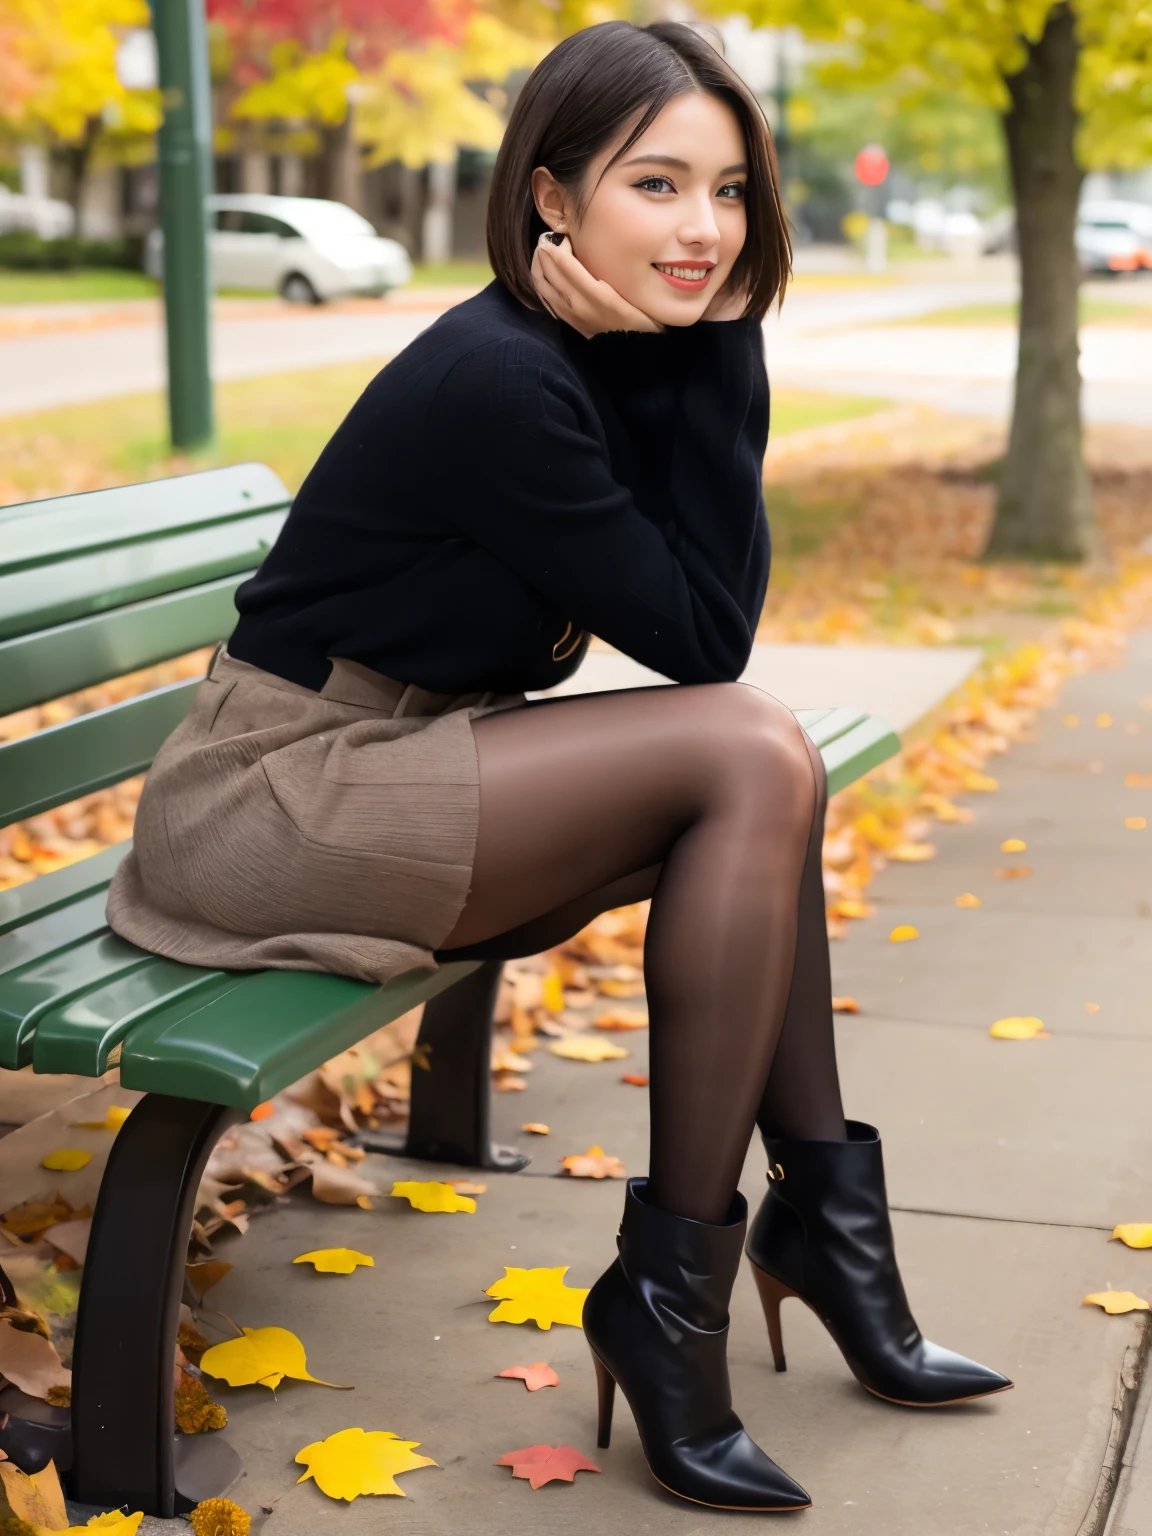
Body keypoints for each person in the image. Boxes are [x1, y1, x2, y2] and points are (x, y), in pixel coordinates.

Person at [107, 19, 1011, 1512]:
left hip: (399, 758)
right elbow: (707, 645)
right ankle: (680, 1312)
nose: (706, 230)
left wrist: (696, 345)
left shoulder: (582, 355)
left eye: (730, 192)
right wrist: (708, 349)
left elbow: (703, 615)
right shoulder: (505, 381)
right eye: (658, 186)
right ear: (551, 195)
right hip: (279, 794)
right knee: (751, 747)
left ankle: (814, 1248)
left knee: (764, 784)